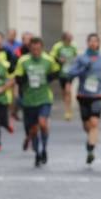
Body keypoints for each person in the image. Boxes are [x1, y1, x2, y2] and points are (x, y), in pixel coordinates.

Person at [58, 33, 101, 165]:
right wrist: (82, 69)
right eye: (91, 41)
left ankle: (91, 149)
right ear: (87, 43)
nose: (93, 44)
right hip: (83, 95)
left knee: (94, 123)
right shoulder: (81, 58)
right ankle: (90, 141)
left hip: (97, 95)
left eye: (95, 41)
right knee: (87, 126)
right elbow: (70, 72)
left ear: (98, 44)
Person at [15, 37, 60, 167]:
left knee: (42, 123)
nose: (36, 51)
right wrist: (24, 79)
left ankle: (44, 148)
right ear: (30, 49)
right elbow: (18, 77)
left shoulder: (48, 60)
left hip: (44, 98)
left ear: (42, 48)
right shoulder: (23, 61)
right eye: (33, 49)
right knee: (33, 130)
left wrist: (50, 76)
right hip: (29, 100)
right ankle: (37, 153)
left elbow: (56, 71)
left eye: (38, 49)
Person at [50, 32, 79, 120]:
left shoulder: (73, 47)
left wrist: (74, 63)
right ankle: (67, 106)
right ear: (64, 39)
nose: (70, 41)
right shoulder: (58, 46)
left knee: (68, 90)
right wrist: (59, 60)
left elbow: (76, 57)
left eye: (71, 39)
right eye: (69, 39)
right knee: (64, 92)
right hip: (61, 72)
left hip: (70, 72)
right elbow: (52, 57)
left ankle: (68, 111)